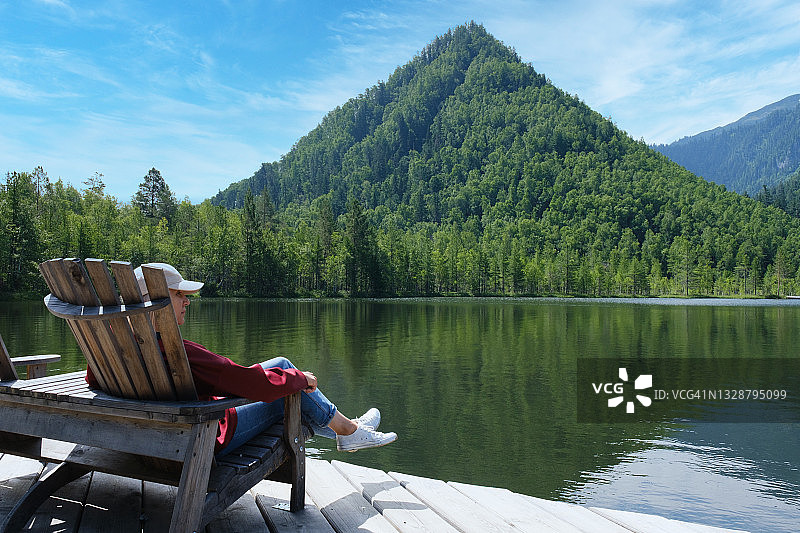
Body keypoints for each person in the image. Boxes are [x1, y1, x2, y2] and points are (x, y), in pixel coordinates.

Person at [86, 262, 397, 456]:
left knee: (279, 365)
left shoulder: (112, 350)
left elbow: (91, 379)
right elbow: (248, 383)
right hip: (204, 437)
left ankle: (349, 428)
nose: (187, 302)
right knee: (289, 381)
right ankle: (347, 431)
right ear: (156, 302)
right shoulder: (178, 354)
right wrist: (302, 379)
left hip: (146, 439)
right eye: (180, 295)